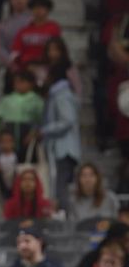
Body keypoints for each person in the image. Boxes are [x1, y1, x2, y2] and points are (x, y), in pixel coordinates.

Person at [40, 65, 81, 214]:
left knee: (61, 187)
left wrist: (44, 130)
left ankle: (66, 220)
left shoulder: (62, 95)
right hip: (60, 149)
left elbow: (68, 120)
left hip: (64, 149)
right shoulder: (56, 94)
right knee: (60, 187)